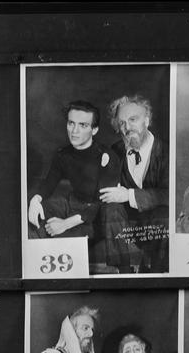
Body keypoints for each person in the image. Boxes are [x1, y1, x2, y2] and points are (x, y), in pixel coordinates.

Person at [27, 100, 122, 258]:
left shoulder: (107, 156)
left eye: (83, 125)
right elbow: (49, 183)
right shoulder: (63, 154)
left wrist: (65, 224)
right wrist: (35, 200)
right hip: (73, 204)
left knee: (59, 238)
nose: (74, 131)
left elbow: (101, 203)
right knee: (32, 217)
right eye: (71, 123)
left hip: (96, 216)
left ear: (94, 130)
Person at [99, 95, 170, 273]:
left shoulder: (167, 151)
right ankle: (123, 272)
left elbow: (170, 195)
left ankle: (156, 273)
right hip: (128, 223)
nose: (128, 127)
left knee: (165, 213)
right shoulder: (115, 151)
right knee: (110, 208)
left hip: (158, 223)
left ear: (147, 121)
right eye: (122, 123)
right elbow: (104, 190)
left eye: (133, 120)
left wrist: (129, 195)